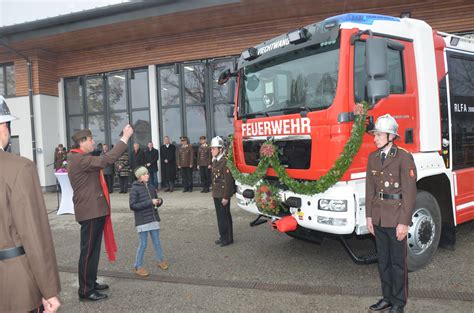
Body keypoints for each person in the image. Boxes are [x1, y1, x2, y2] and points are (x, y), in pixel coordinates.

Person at [0, 96, 61, 313]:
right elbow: (34, 234)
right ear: (4, 126)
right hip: (13, 286)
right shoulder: (19, 168)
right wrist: (49, 289)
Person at [68, 124, 134, 301]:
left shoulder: (81, 157)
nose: (93, 142)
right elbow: (106, 160)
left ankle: (90, 281)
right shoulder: (79, 159)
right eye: (90, 139)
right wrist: (125, 138)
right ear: (82, 142)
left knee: (93, 250)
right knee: (88, 251)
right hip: (90, 211)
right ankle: (85, 290)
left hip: (93, 210)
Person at [365, 114, 417, 313]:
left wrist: (404, 222)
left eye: (378, 135)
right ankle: (387, 297)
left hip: (396, 219)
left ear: (390, 136)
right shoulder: (373, 158)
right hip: (378, 217)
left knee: (397, 263)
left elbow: (410, 194)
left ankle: (399, 302)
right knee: (384, 261)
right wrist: (369, 217)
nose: (375, 138)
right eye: (375, 134)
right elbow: (370, 189)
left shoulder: (404, 157)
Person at [129, 166, 169, 276]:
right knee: (143, 244)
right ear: (139, 177)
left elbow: (155, 200)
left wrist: (159, 201)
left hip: (153, 218)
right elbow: (132, 206)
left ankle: (160, 260)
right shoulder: (134, 188)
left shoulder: (151, 186)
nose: (147, 175)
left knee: (157, 242)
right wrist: (150, 202)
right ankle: (137, 266)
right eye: (144, 174)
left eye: (147, 173)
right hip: (142, 220)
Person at [210, 136, 235, 247]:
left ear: (220, 149)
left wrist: (226, 196)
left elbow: (228, 181)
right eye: (211, 148)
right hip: (216, 193)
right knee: (220, 217)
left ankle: (228, 238)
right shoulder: (216, 161)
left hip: (223, 194)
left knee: (225, 216)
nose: (212, 150)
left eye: (214, 148)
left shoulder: (225, 162)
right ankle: (223, 236)